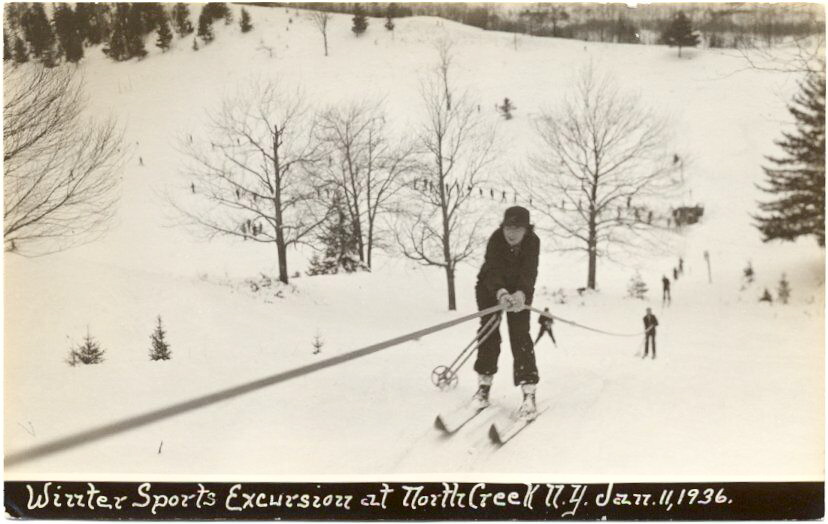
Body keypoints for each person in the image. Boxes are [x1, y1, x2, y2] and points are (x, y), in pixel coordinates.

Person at [472, 206, 541, 419]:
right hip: (490, 288)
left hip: (520, 291)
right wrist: (500, 293)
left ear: (526, 230)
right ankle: (484, 386)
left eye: (517, 228)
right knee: (489, 332)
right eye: (508, 228)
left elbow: (530, 270)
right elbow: (491, 268)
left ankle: (529, 393)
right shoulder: (496, 239)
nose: (511, 233)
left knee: (520, 335)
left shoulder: (533, 242)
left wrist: (521, 293)